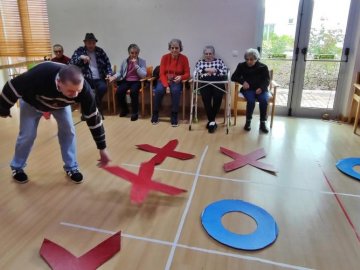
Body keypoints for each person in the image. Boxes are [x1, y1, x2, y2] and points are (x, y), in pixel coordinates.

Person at [0, 62, 111, 184]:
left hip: (60, 106)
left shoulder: (84, 90)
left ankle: (72, 168)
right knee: (27, 135)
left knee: (68, 131)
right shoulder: (39, 75)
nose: (75, 95)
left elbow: (93, 118)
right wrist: (3, 108)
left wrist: (102, 148)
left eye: (78, 91)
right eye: (70, 91)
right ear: (59, 82)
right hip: (32, 103)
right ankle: (17, 167)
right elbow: (12, 86)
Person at [70, 33, 112, 116]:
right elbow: (71, 63)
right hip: (85, 78)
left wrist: (109, 73)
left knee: (103, 88)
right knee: (84, 91)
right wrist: (81, 57)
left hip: (99, 78)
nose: (91, 45)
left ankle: (93, 108)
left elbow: (107, 63)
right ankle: (89, 111)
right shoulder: (80, 51)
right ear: (85, 43)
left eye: (93, 43)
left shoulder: (100, 51)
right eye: (89, 43)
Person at [151, 38, 190, 127]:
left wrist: (181, 77)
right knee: (158, 90)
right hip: (164, 79)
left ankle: (174, 114)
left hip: (176, 81)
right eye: (172, 48)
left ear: (180, 48)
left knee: (176, 91)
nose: (174, 50)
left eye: (176, 48)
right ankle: (155, 113)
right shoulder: (164, 57)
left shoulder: (184, 58)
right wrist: (166, 86)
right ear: (169, 48)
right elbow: (161, 73)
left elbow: (187, 73)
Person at [231, 48, 270, 133]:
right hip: (248, 89)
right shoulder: (241, 65)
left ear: (256, 59)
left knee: (263, 100)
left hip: (261, 89)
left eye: (251, 59)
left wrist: (261, 88)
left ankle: (262, 123)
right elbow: (233, 77)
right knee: (251, 101)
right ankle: (248, 122)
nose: (249, 61)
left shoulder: (263, 67)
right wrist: (243, 82)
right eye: (247, 59)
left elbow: (267, 80)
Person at [194, 45, 228, 133]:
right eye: (206, 54)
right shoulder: (200, 62)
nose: (208, 55)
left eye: (210, 54)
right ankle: (212, 121)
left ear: (213, 54)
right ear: (204, 54)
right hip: (205, 83)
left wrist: (215, 70)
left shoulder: (219, 61)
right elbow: (197, 71)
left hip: (218, 82)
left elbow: (225, 71)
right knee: (206, 100)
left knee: (218, 98)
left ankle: (211, 121)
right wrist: (206, 70)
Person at [109, 44, 147, 121]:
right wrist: (114, 77)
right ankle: (125, 109)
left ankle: (135, 112)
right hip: (126, 80)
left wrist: (136, 65)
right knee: (119, 92)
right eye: (132, 53)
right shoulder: (125, 61)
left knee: (133, 92)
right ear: (129, 53)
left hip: (137, 81)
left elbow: (143, 75)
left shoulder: (142, 61)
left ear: (138, 53)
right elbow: (120, 72)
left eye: (136, 53)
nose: (134, 55)